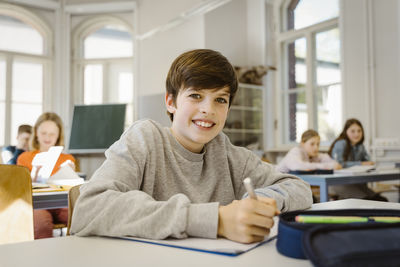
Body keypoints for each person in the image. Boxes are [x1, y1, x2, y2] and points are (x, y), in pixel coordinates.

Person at [70, 49, 312, 244]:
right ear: (171, 101)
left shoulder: (229, 154)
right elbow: (88, 209)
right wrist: (215, 220)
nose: (208, 108)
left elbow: (299, 188)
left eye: (220, 99)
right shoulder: (144, 139)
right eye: (196, 95)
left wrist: (260, 201)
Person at [17, 112, 76, 239]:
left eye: (52, 133)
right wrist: (32, 177)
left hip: (62, 203)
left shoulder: (67, 159)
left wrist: (71, 175)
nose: (47, 137)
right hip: (36, 204)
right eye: (44, 133)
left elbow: (72, 189)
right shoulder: (25, 157)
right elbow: (19, 190)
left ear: (58, 135)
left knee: (80, 218)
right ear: (36, 133)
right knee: (41, 224)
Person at [328, 118, 387, 201]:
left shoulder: (360, 146)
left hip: (354, 182)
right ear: (346, 131)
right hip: (338, 183)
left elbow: (368, 161)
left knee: (382, 200)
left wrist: (369, 163)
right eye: (353, 131)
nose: (357, 134)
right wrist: (361, 164)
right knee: (368, 201)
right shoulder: (341, 143)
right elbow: (339, 164)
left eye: (359, 131)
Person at [277, 129, 342, 173]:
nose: (316, 147)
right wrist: (322, 166)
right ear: (302, 144)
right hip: (274, 184)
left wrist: (331, 165)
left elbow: (336, 165)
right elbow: (296, 166)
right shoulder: (295, 151)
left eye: (318, 144)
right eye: (312, 144)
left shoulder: (315, 155)